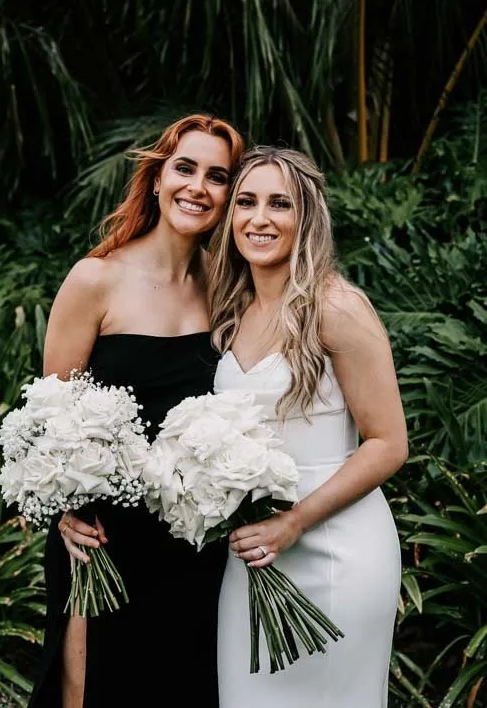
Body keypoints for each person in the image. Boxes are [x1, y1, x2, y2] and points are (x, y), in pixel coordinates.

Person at [27, 114, 245, 708]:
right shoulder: (95, 279)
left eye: (217, 176)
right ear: (156, 179)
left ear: (229, 195)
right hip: (102, 539)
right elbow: (51, 417)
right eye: (185, 168)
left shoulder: (228, 289)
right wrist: (64, 508)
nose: (198, 186)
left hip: (193, 543)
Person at [208, 146, 408, 708]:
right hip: (255, 553)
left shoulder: (336, 306)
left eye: (280, 204)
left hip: (336, 547)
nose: (259, 218)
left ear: (307, 216)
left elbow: (389, 443)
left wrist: (295, 521)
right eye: (246, 202)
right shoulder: (232, 308)